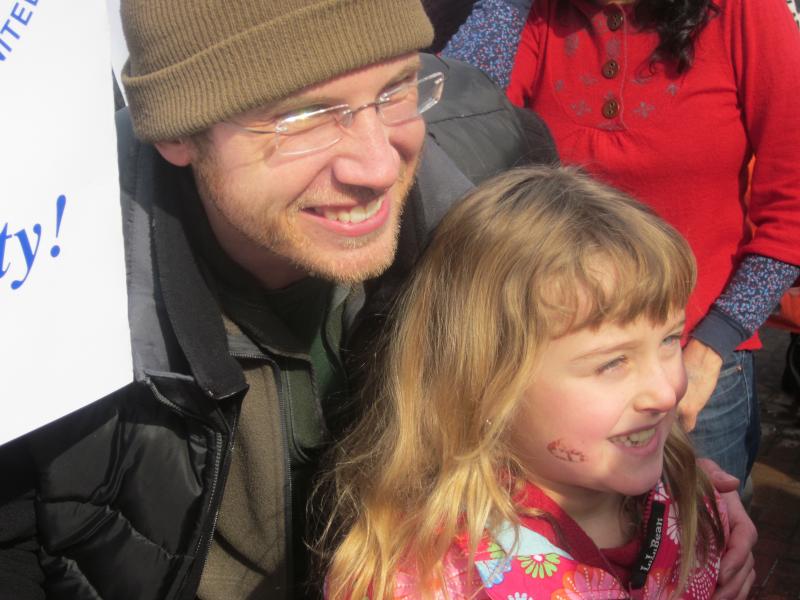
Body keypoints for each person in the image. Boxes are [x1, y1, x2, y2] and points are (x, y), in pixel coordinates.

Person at [0, 1, 754, 599]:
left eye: (396, 88)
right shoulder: (45, 310)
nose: (375, 163)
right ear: (179, 133)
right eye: (303, 114)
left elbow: (578, 365)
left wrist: (679, 491)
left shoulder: (491, 174)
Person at [323, 166, 729, 600]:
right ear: (488, 381)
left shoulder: (687, 493)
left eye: (669, 340)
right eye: (612, 363)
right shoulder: (428, 578)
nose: (666, 392)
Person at [443, 0, 800, 491]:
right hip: (562, 360)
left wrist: (713, 345)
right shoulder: (541, 13)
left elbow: (792, 206)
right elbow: (454, 121)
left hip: (695, 356)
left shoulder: (744, 12)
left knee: (698, 545)